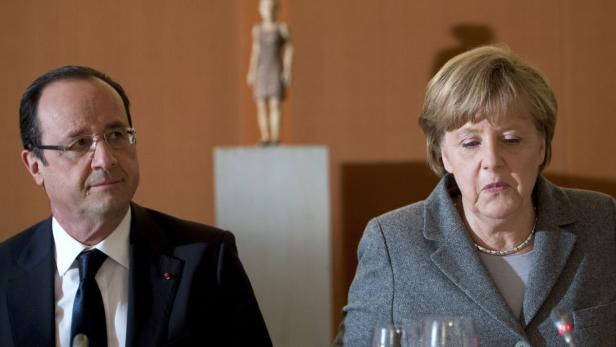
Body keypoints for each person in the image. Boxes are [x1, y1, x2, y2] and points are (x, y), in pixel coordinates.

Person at [337, 46, 616, 346]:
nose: (492, 160)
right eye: (470, 143)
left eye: (511, 140)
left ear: (542, 146)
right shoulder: (392, 243)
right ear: (444, 154)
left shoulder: (602, 222)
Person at [0, 66, 273, 347]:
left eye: (116, 135)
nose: (105, 160)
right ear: (34, 166)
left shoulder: (206, 259)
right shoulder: (5, 272)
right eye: (79, 143)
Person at [246, 0, 294, 145]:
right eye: (266, 7)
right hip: (262, 70)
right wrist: (251, 71)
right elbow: (255, 52)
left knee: (275, 104)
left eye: (271, 7)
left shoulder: (282, 29)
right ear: (261, 10)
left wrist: (287, 69)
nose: (269, 11)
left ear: (276, 9)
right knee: (261, 104)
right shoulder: (257, 29)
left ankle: (275, 138)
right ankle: (265, 137)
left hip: (275, 68)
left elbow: (290, 49)